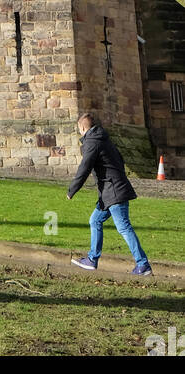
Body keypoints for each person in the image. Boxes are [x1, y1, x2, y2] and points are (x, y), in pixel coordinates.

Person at [67, 111, 152, 276]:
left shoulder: (92, 142)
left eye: (79, 129)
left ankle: (143, 264)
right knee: (95, 220)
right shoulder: (104, 139)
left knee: (124, 227)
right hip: (110, 191)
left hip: (114, 192)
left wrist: (72, 190)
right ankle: (92, 259)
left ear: (83, 128)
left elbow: (84, 168)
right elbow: (120, 160)